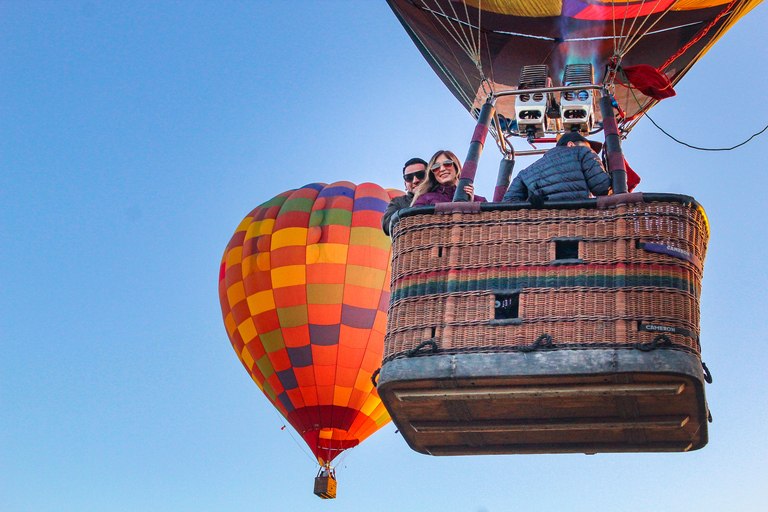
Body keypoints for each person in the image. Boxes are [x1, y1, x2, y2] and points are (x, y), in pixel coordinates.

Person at [502, 132, 611, 204]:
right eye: (587, 145)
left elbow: (508, 203)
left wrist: (530, 203)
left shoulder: (527, 172)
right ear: (571, 144)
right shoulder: (583, 152)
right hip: (578, 221)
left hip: (543, 228)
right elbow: (602, 188)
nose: (590, 149)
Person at [411, 150, 487, 206]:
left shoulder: (480, 201)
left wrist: (471, 205)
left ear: (456, 166)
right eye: (436, 167)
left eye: (447, 164)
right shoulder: (424, 199)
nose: (442, 169)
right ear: (432, 173)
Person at [381, 157, 427, 235]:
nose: (415, 180)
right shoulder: (398, 202)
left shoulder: (441, 196)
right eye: (409, 178)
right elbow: (387, 225)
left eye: (420, 175)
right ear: (405, 185)